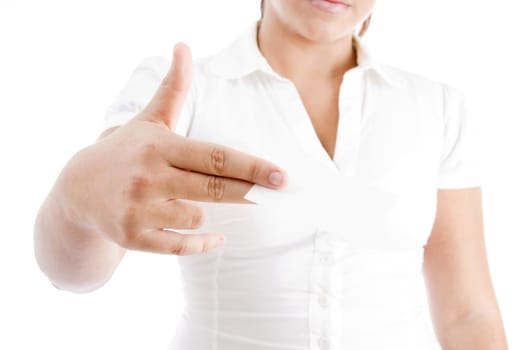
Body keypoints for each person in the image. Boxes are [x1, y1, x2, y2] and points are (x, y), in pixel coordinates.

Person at [34, 0, 509, 349]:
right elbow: (75, 274)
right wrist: (76, 199)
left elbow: (468, 314)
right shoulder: (182, 90)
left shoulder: (437, 107)